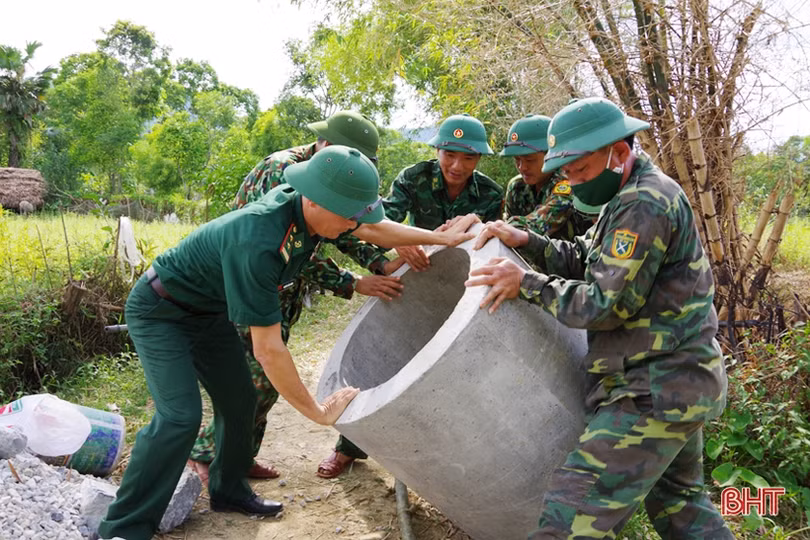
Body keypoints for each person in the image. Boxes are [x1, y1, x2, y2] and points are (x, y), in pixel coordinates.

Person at [97, 145, 477, 540]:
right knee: (180, 417)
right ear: (314, 200)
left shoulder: (314, 209)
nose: (351, 225)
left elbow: (373, 228)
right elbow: (269, 350)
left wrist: (440, 239)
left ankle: (227, 490)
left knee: (241, 400)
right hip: (161, 310)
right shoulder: (259, 241)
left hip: (208, 312)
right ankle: (123, 527)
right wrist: (317, 411)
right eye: (346, 216)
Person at [464, 97, 733, 539]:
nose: (572, 182)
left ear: (620, 153)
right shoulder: (624, 195)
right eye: (566, 173)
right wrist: (527, 239)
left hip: (653, 389)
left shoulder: (644, 202)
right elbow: (585, 257)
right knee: (682, 510)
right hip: (677, 383)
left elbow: (605, 305)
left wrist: (526, 284)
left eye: (580, 171)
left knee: (570, 516)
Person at [188, 110, 405, 484]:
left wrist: (383, 264)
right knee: (252, 377)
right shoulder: (282, 171)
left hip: (282, 293)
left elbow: (349, 227)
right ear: (323, 145)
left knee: (266, 383)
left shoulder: (331, 179)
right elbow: (289, 248)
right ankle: (206, 459)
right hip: (248, 290)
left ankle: (240, 456)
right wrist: (352, 281)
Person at [315, 113, 505, 478]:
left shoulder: (492, 194)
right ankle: (348, 449)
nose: (457, 165)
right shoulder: (413, 178)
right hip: (416, 279)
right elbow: (371, 225)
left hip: (462, 288)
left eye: (468, 158)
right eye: (449, 154)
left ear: (479, 159)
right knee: (385, 358)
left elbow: (488, 241)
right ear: (437, 150)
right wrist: (388, 258)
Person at [500, 113, 592, 239]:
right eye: (517, 160)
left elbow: (540, 224)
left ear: (551, 155)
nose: (522, 167)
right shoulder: (517, 187)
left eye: (530, 160)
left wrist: (500, 229)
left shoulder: (568, 182)